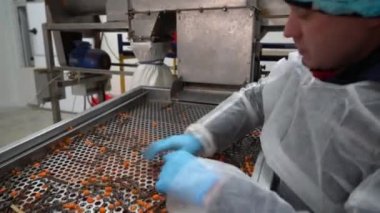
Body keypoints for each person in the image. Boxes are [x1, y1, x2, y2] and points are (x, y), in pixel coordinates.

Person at [143, 0, 380, 212]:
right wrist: (204, 136)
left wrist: (231, 198)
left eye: (304, 14)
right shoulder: (317, 64)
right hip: (261, 175)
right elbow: (259, 96)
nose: (289, 30)